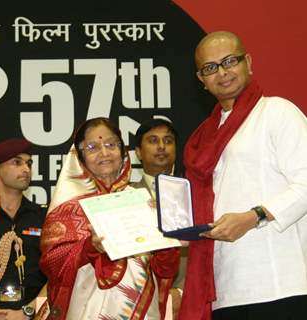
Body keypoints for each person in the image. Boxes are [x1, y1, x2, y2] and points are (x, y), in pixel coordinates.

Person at [180, 31, 307, 320]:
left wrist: (253, 217)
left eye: (229, 61)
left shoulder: (277, 112)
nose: (222, 73)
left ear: (247, 62)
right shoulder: (204, 137)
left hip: (280, 284)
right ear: (201, 78)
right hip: (224, 289)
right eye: (210, 68)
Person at [40, 117, 180, 320]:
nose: (104, 153)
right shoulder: (68, 208)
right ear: (80, 157)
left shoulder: (143, 200)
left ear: (123, 152)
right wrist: (89, 247)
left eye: (111, 144)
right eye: (92, 147)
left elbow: (165, 269)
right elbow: (51, 264)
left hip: (142, 310)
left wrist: (168, 245)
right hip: (86, 310)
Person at [0, 138, 47, 320]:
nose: (26, 169)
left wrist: (29, 311)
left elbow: (58, 276)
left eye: (29, 163)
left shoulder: (43, 216)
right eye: (17, 162)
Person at [132, 117, 187, 320]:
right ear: (138, 152)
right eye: (153, 140)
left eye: (168, 140)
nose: (162, 146)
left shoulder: (194, 193)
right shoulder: (125, 197)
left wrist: (182, 292)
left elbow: (204, 250)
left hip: (188, 300)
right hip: (138, 303)